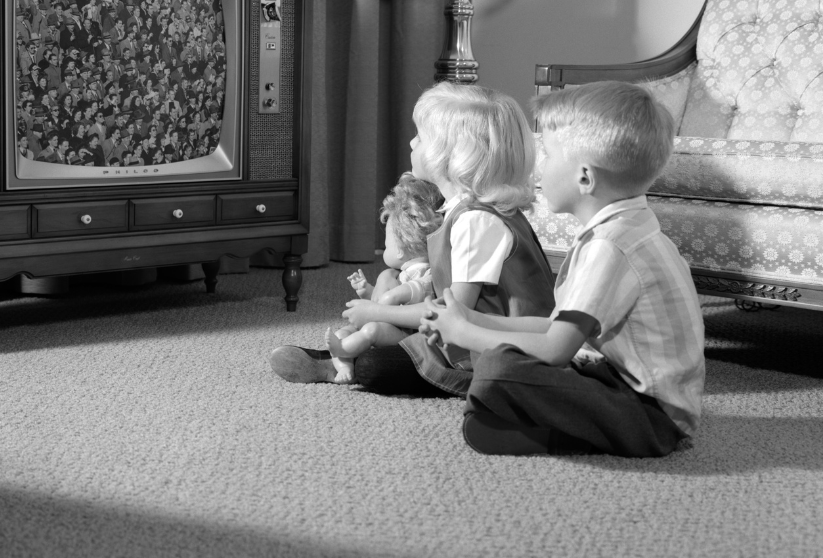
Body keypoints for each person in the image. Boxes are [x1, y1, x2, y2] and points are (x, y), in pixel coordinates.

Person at [419, 81, 704, 457]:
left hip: (651, 418)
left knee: (500, 369)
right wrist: (471, 318)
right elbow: (554, 328)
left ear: (585, 177)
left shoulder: (610, 247)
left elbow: (554, 349)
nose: (540, 167)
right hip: (623, 384)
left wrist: (465, 332)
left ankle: (554, 437)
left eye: (549, 155)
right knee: (497, 362)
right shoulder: (622, 228)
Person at [269, 83, 556, 397]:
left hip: (499, 350)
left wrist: (378, 312)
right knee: (381, 337)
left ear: (448, 155)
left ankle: (341, 361)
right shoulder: (468, 211)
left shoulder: (477, 221)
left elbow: (453, 312)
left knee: (375, 366)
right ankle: (341, 357)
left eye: (420, 137)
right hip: (476, 334)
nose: (411, 141)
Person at [327, 173, 443, 384]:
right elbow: (382, 302)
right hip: (391, 326)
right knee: (344, 331)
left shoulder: (424, 272)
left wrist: (391, 296)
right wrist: (367, 290)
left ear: (400, 249)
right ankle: (344, 366)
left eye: (387, 244)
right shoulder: (400, 274)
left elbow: (415, 291)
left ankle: (344, 352)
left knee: (372, 329)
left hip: (407, 335)